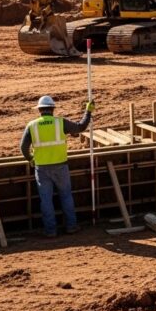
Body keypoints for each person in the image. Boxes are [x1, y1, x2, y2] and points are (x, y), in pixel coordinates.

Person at [19, 95, 94, 237]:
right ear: (53, 109)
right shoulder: (60, 123)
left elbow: (23, 147)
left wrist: (30, 159)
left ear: (39, 109)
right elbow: (81, 127)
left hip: (41, 168)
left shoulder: (32, 125)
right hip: (61, 166)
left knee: (46, 200)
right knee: (66, 196)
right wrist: (88, 111)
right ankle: (71, 226)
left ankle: (50, 231)